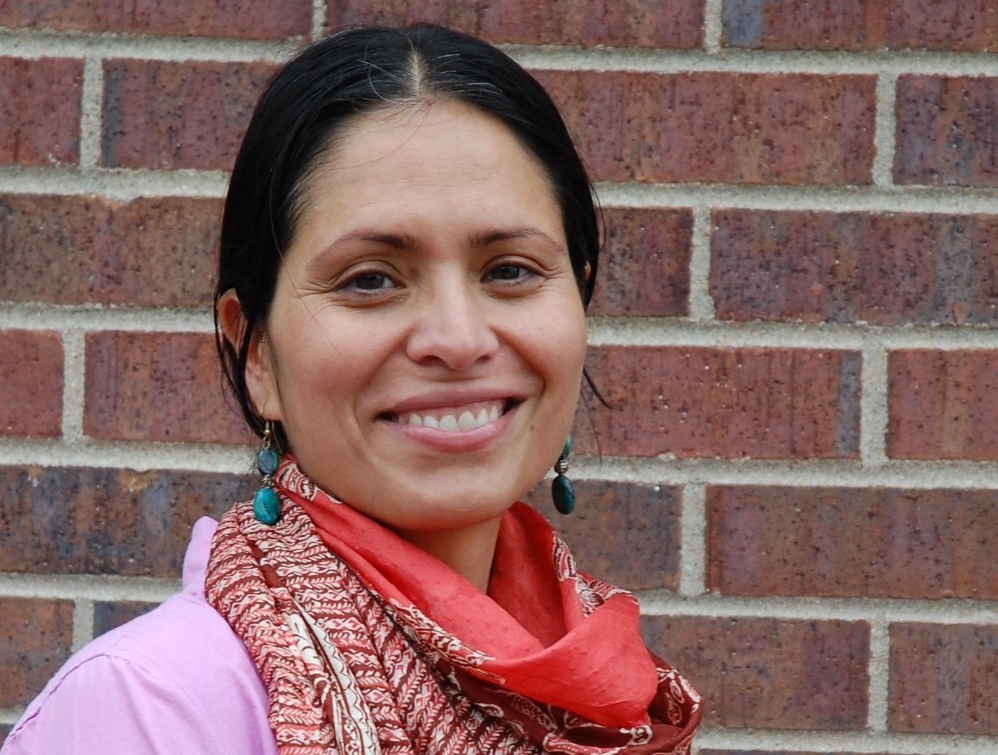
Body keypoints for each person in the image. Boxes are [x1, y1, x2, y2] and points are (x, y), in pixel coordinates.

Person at [3, 24, 702, 755]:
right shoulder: (149, 706)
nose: (459, 339)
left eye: (510, 270)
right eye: (370, 279)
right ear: (258, 352)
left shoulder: (618, 698)